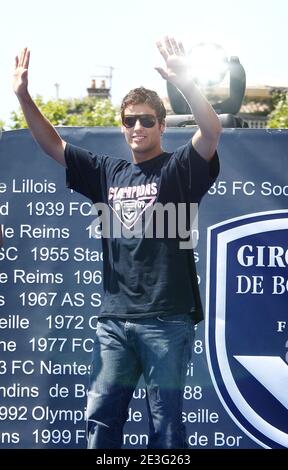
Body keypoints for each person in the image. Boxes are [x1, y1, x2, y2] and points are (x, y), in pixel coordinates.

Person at [13, 37, 221, 449]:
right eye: (129, 121)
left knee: (166, 427)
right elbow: (52, 145)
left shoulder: (179, 169)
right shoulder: (108, 171)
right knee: (102, 420)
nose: (137, 128)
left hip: (166, 319)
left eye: (146, 120)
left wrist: (186, 85)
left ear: (162, 126)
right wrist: (22, 94)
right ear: (121, 127)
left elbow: (211, 130)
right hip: (114, 322)